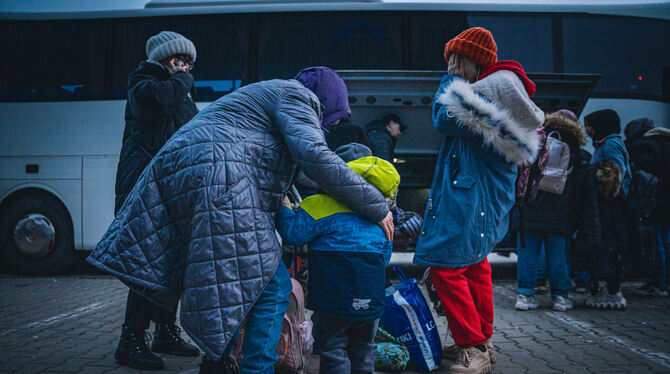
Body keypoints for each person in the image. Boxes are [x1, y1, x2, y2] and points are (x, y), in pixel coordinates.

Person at [87, 66, 394, 374]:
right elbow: (314, 157)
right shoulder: (298, 96)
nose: (331, 125)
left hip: (192, 175)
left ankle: (217, 362)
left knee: (233, 281)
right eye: (334, 116)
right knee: (271, 288)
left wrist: (339, 195)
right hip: (225, 183)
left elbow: (302, 169)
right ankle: (255, 369)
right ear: (325, 100)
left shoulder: (269, 96)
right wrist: (376, 207)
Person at [414, 27, 544, 374]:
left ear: (474, 61)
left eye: (457, 60)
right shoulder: (498, 88)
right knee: (473, 266)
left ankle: (472, 346)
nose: (453, 66)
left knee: (446, 268)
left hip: (472, 198)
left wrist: (449, 80)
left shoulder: (488, 89)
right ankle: (482, 341)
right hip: (479, 196)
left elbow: (443, 118)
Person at [111, 31, 200, 370]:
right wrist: (183, 79)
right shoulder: (144, 82)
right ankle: (130, 340)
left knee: (170, 261)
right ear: (165, 58)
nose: (187, 66)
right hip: (142, 188)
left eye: (190, 62)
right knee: (145, 263)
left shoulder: (178, 88)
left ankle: (164, 330)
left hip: (168, 187)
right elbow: (160, 101)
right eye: (180, 59)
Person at [275, 154, 399, 374]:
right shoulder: (383, 217)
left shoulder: (318, 205)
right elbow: (384, 258)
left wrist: (285, 207)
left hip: (331, 299)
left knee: (332, 349)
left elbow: (293, 234)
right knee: (363, 349)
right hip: (371, 299)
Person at [515, 111, 591, 312]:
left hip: (531, 204)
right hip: (560, 209)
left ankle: (524, 294)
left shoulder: (538, 137)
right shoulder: (574, 145)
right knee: (558, 254)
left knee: (528, 253)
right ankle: (561, 297)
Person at [625, 119, 670, 297]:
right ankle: (664, 281)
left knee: (655, 239)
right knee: (666, 239)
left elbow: (639, 174)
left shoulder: (642, 146)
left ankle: (658, 282)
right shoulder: (666, 144)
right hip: (666, 198)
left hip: (653, 198)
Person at [583, 161, 630, 310]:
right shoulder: (618, 196)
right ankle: (612, 289)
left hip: (604, 235)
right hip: (613, 236)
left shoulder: (594, 192)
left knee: (602, 257)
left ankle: (606, 289)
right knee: (612, 259)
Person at [584, 109, 632, 196]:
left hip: (611, 196)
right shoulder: (606, 143)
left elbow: (617, 170)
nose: (586, 130)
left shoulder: (610, 144)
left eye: (589, 126)